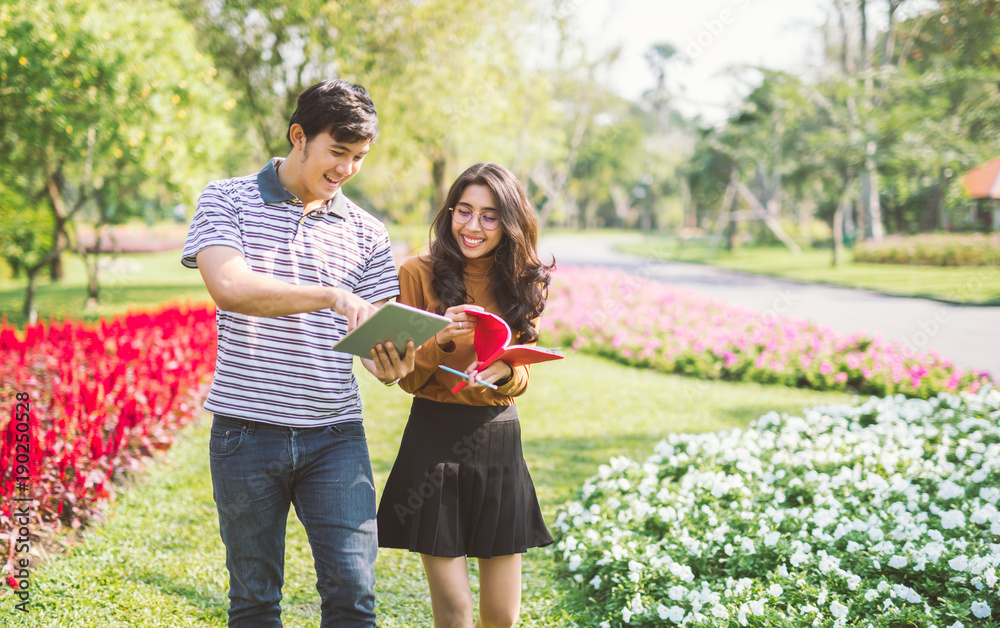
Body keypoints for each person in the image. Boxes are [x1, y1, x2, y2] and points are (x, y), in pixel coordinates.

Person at [181, 78, 415, 628]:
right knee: (256, 599)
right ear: (298, 136)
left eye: (359, 157)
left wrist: (392, 363)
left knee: (354, 595)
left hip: (335, 436)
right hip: (245, 433)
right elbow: (231, 288)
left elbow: (373, 338)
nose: (347, 169)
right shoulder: (226, 198)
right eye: (338, 152)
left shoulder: (367, 232)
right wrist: (332, 295)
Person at [376, 162, 555, 628]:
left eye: (490, 216)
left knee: (503, 616)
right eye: (464, 211)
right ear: (449, 211)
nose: (473, 226)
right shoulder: (415, 272)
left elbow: (522, 375)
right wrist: (441, 339)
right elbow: (407, 379)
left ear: (510, 223)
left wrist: (503, 373)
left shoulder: (523, 279)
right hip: (433, 439)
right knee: (454, 611)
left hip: (500, 441)